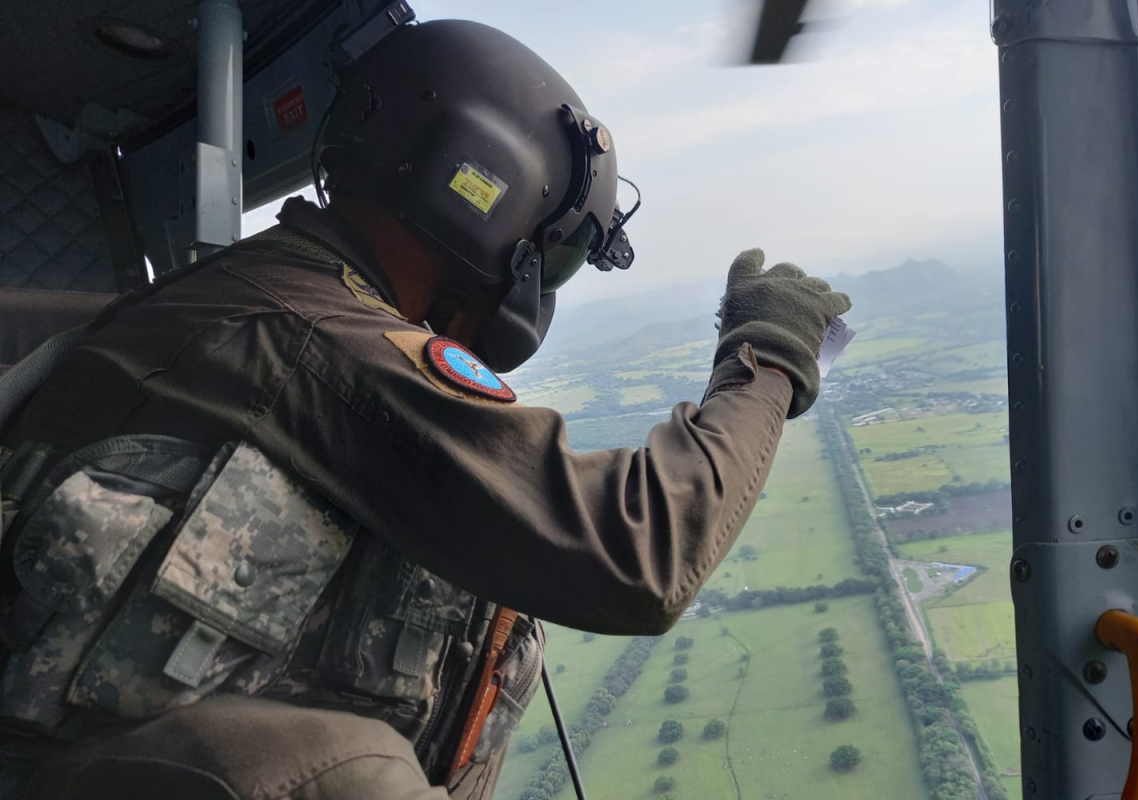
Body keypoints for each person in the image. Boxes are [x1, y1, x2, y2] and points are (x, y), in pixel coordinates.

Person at [0, 19, 850, 800]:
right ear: (477, 189)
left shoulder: (260, 299)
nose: (539, 288)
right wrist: (767, 359)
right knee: (347, 775)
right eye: (551, 256)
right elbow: (638, 552)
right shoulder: (306, 334)